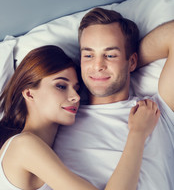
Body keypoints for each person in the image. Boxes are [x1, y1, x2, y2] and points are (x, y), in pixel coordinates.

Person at [0, 45, 159, 190]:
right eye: (61, 86)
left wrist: (126, 64)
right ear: (29, 93)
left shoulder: (46, 145)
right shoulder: (23, 145)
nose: (76, 96)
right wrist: (138, 133)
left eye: (76, 89)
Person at [54, 8, 174, 190]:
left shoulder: (156, 111)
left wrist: (124, 66)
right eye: (88, 55)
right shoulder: (62, 117)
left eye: (110, 55)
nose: (97, 65)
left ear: (132, 61)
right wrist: (117, 64)